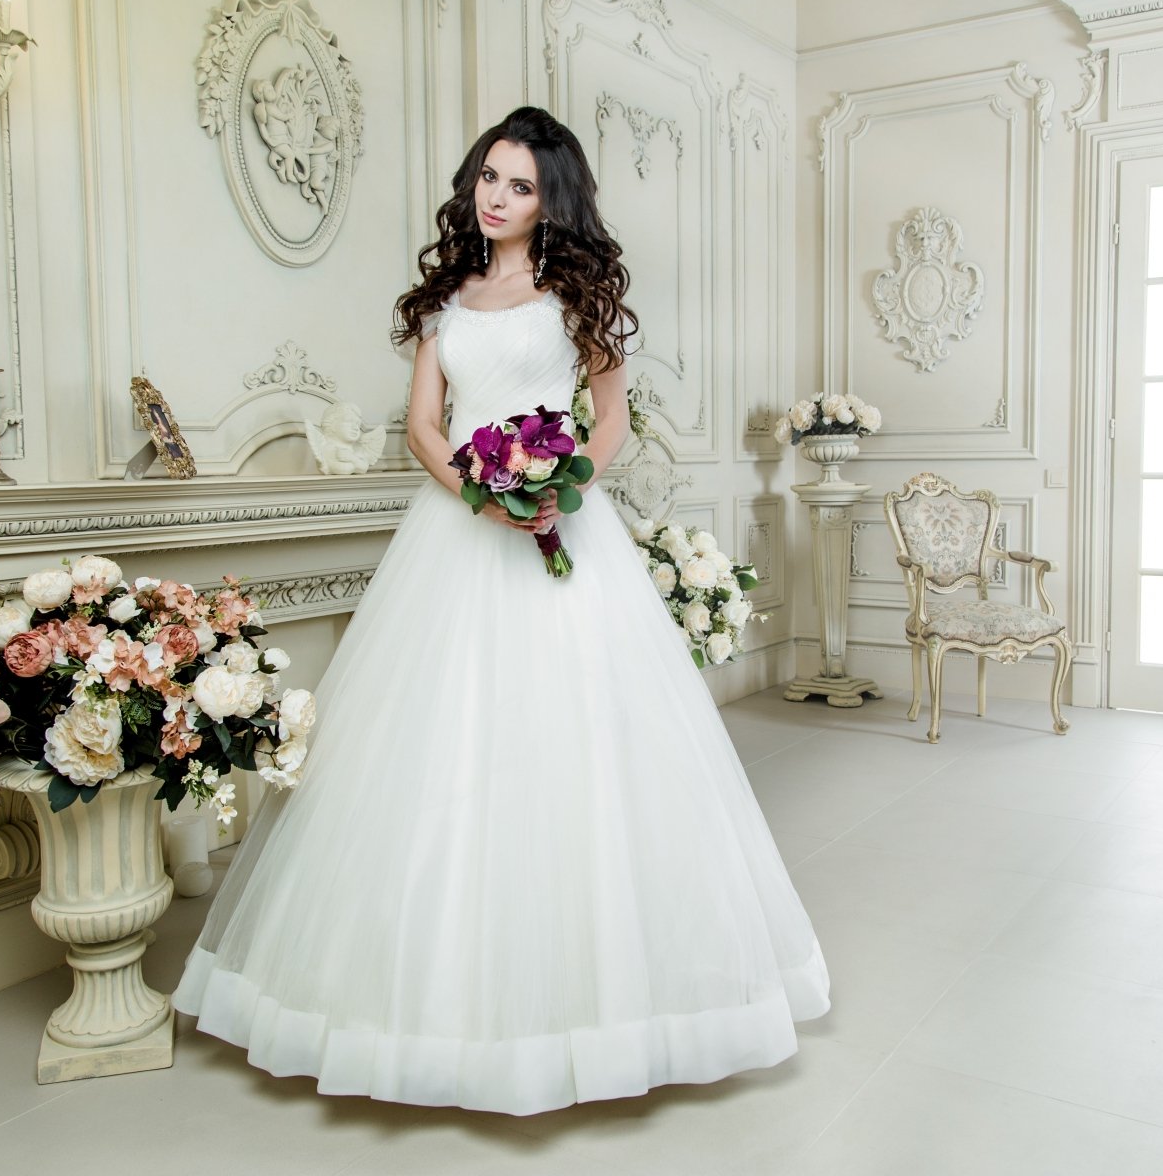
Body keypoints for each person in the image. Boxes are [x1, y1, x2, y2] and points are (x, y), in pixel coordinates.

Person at [172, 105, 829, 1116]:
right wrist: (478, 492)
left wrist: (563, 487)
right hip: (456, 531)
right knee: (431, 747)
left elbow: (605, 418)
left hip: (564, 531)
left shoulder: (574, 295)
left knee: (580, 747)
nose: (496, 195)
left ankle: (603, 1003)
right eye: (489, 175)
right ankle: (413, 1001)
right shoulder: (448, 297)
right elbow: (422, 424)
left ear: (550, 198)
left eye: (520, 184)